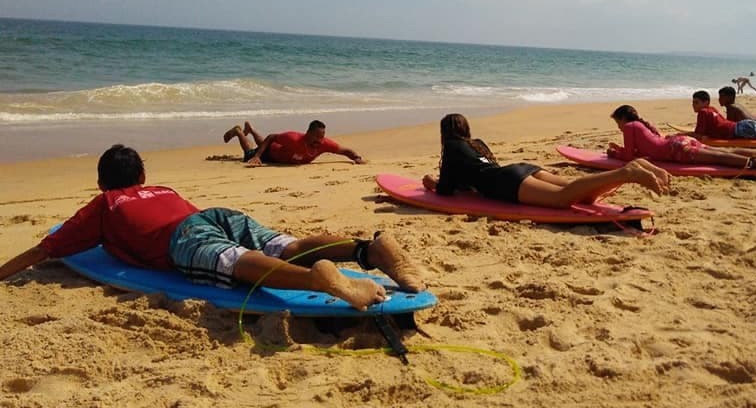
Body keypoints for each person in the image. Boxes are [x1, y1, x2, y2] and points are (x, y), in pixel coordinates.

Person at [0, 145, 424, 310]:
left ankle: (317, 279)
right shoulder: (162, 190)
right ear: (143, 177)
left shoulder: (105, 203)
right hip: (214, 216)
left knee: (237, 262)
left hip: (183, 238)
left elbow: (43, 250)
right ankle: (368, 249)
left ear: (101, 183)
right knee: (286, 245)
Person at [420, 113, 670, 208]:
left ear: (445, 133)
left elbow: (446, 189)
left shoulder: (451, 147)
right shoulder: (476, 143)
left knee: (561, 199)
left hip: (506, 182)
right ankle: (631, 171)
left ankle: (628, 172)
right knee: (582, 195)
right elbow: (471, 174)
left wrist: (431, 183)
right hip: (521, 169)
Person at [608, 105, 756, 170]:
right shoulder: (641, 124)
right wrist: (619, 149)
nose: (619, 127)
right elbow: (646, 148)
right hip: (678, 142)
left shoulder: (629, 127)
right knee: (722, 152)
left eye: (618, 122)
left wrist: (615, 153)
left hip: (676, 150)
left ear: (623, 119)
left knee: (718, 158)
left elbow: (629, 157)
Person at [223, 120, 364, 167]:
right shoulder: (293, 138)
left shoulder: (324, 144)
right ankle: (239, 132)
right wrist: (257, 156)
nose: (319, 140)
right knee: (249, 154)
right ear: (307, 133)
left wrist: (356, 158)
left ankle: (251, 130)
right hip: (271, 155)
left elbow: (345, 151)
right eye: (316, 137)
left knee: (263, 143)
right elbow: (271, 137)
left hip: (278, 150)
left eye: (321, 137)